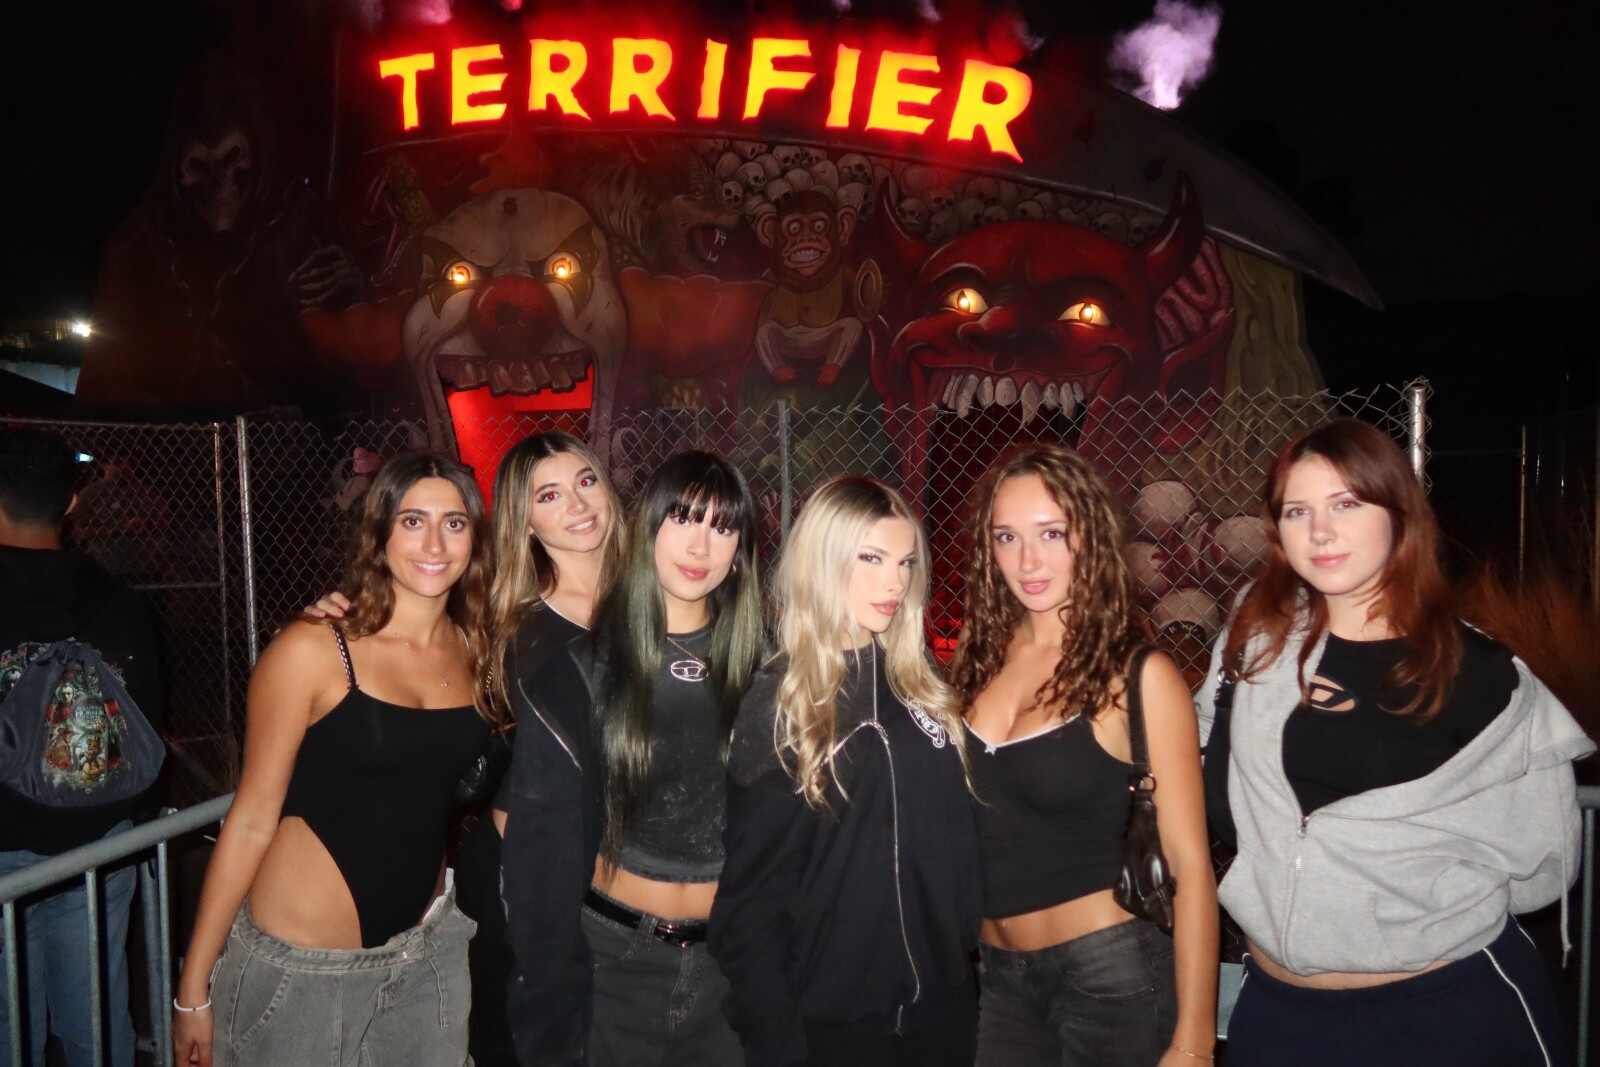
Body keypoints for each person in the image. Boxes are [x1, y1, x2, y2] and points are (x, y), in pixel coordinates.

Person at [1197, 417, 1592, 1066]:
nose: (1321, 531)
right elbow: (1203, 747)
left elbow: (1542, 863)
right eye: (1297, 510)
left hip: (1442, 1014)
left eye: (1347, 504)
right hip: (1276, 1013)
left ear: (1399, 514)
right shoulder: (1255, 637)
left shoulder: (1482, 673)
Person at [307, 431, 624, 1066]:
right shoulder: (501, 622)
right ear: (522, 520)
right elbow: (411, 631)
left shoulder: (661, 595)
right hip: (522, 870)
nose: (577, 505)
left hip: (625, 866)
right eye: (548, 495)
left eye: (586, 481)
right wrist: (340, 616)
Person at [171, 452, 494, 1067]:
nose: (434, 543)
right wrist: (194, 987)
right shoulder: (313, 649)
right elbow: (251, 819)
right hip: (303, 969)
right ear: (379, 533)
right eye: (412, 521)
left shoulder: (477, 648)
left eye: (454, 523)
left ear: (475, 539)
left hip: (424, 952)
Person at [949, 443, 1218, 1067]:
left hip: (1110, 976)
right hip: (999, 980)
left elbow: (1190, 865)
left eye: (1052, 533)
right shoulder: (976, 659)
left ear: (1091, 537)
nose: (1028, 560)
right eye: (1007, 537)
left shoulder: (1138, 675)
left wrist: (1195, 1043)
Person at [502, 450, 764, 1067]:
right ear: (648, 526)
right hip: (615, 962)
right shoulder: (581, 670)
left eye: (722, 526)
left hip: (735, 962)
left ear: (740, 549)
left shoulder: (769, 667)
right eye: (683, 518)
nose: (700, 545)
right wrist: (546, 1016)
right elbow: (541, 861)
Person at [710, 475, 981, 1066]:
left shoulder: (920, 682)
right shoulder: (783, 701)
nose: (896, 582)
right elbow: (750, 904)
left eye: (906, 562)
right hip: (835, 1027)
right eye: (872, 558)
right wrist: (775, 1041)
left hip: (945, 1009)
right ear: (824, 561)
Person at [0, 428, 163, 1067]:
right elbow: (147, 721)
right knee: (95, 1015)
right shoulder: (119, 602)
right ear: (71, 503)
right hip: (101, 840)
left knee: (9, 1023)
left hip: (5, 843)